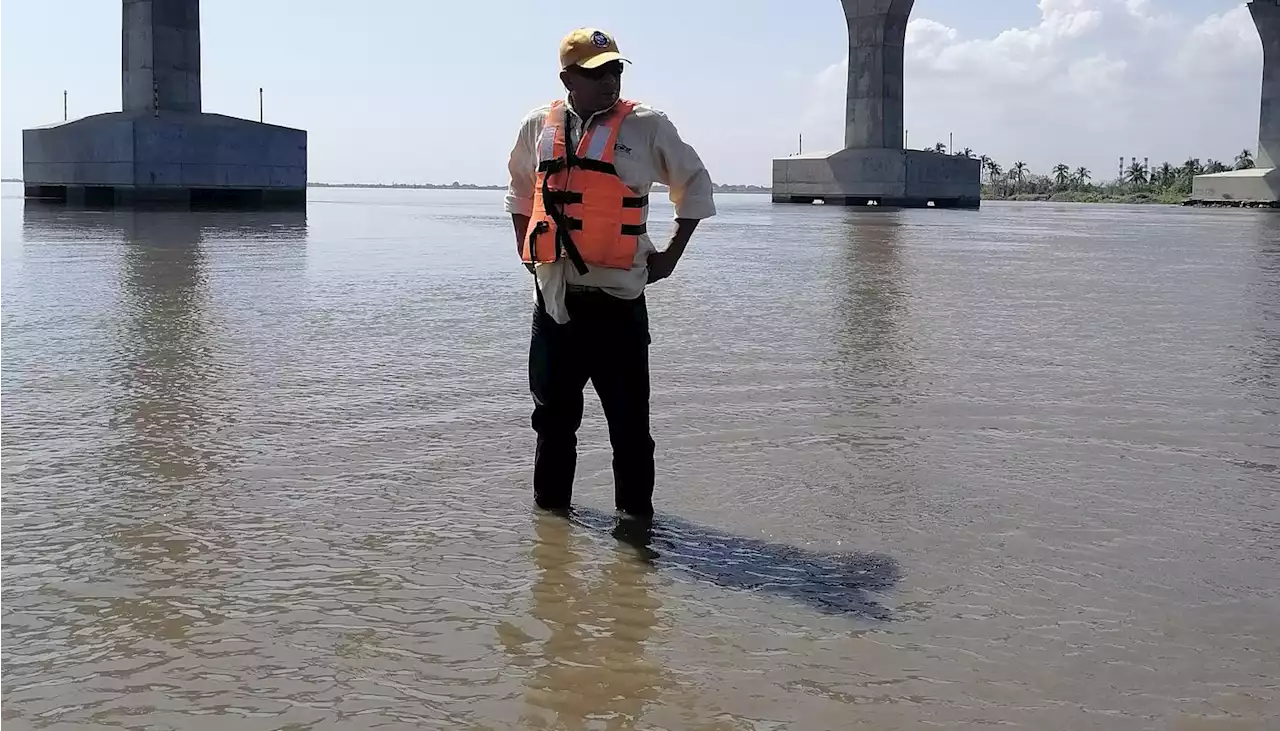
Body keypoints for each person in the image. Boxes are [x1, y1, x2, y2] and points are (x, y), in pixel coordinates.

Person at [503, 27, 716, 521]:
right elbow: (518, 191)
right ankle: (553, 536)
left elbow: (695, 184)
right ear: (567, 78)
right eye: (596, 72)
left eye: (616, 69)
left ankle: (637, 534)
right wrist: (524, 248)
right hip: (554, 304)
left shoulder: (647, 126)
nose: (610, 80)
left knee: (629, 430)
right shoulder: (538, 125)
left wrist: (672, 255)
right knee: (552, 423)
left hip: (618, 305)